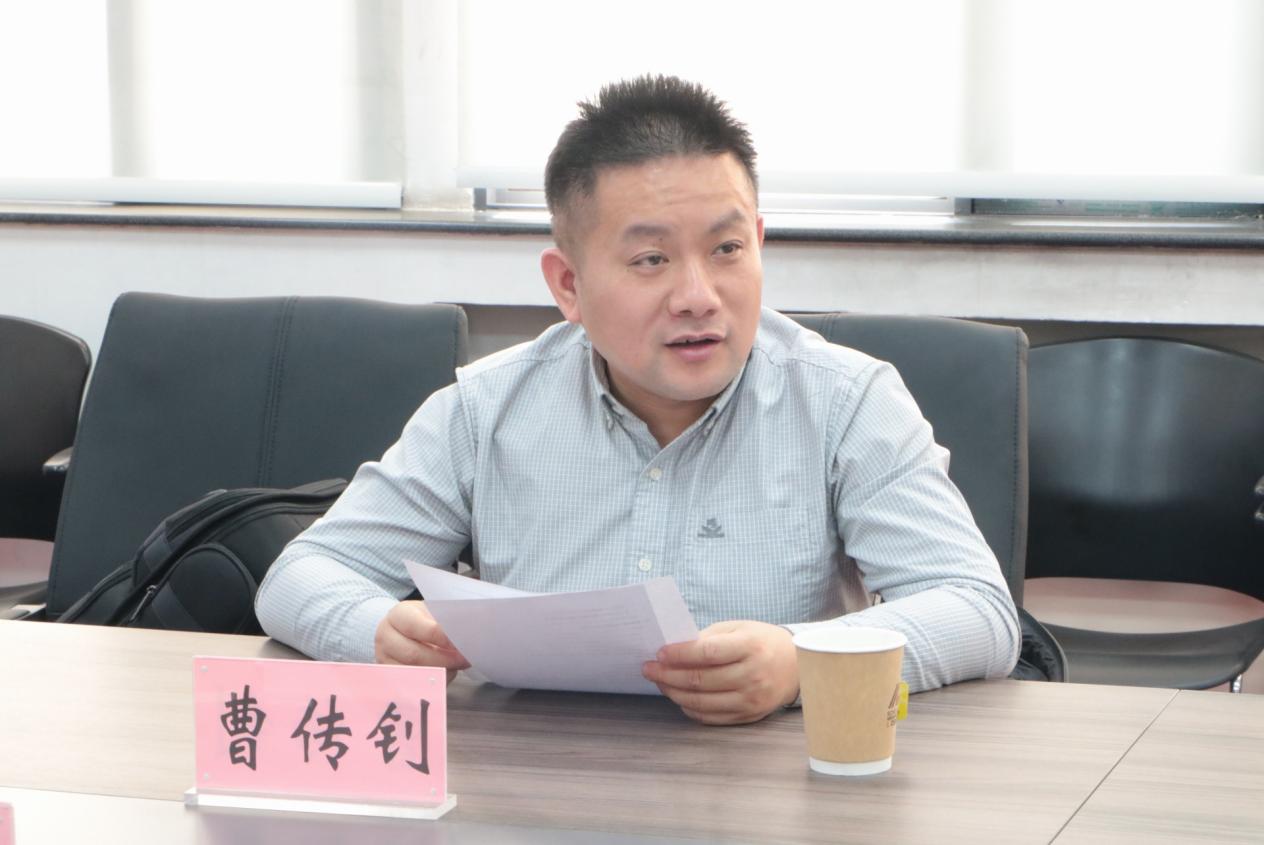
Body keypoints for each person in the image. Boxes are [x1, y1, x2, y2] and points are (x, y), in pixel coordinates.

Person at [256, 75, 1020, 725]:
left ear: (758, 241)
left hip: (770, 795)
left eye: (727, 249)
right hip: (534, 790)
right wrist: (378, 629)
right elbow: (304, 573)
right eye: (651, 259)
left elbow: (977, 608)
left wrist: (803, 662)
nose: (698, 295)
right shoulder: (486, 410)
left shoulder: (846, 402)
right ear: (568, 285)